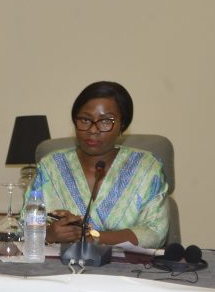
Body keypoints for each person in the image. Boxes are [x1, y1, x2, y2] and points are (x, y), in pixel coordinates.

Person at [28, 81, 169, 248]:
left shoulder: (146, 167)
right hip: (61, 263)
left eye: (105, 121)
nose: (93, 130)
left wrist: (91, 236)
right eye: (85, 120)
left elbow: (155, 232)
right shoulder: (50, 167)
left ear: (122, 125)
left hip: (125, 264)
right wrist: (48, 234)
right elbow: (23, 225)